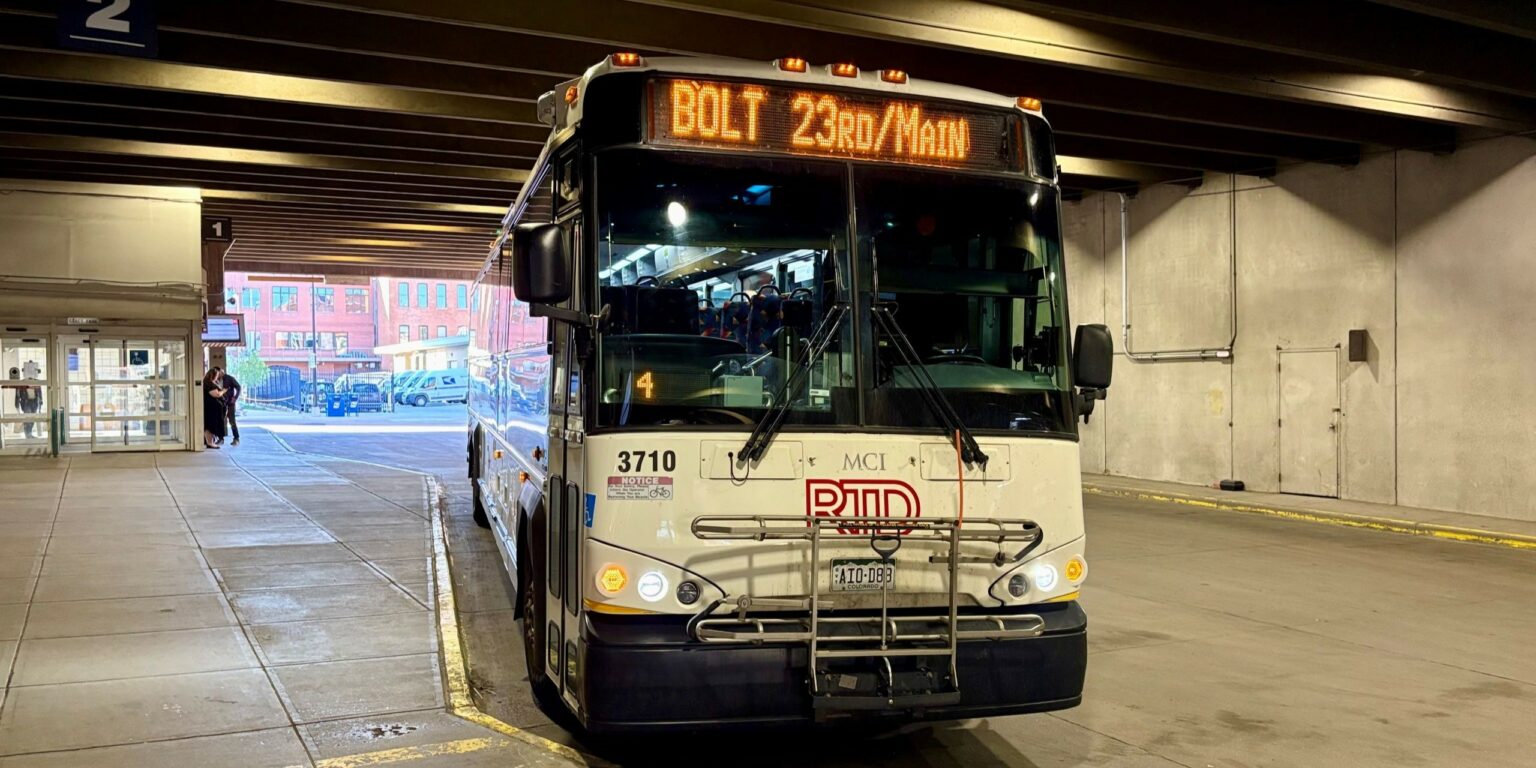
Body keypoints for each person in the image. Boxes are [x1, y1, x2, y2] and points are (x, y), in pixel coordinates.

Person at [9, 366, 41, 439]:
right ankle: (28, 434)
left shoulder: (37, 382)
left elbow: (39, 393)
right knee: (27, 418)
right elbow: (17, 395)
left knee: (33, 418)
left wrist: (40, 403)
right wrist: (17, 405)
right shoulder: (22, 382)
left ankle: (29, 433)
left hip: (34, 402)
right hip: (26, 402)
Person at [202, 369, 228, 449]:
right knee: (210, 425)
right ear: (212, 375)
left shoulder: (211, 383)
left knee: (212, 425)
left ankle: (211, 442)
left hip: (214, 408)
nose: (217, 377)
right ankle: (210, 443)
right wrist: (223, 391)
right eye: (216, 375)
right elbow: (216, 394)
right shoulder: (208, 383)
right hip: (211, 408)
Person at [219, 368, 242, 446]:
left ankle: (236, 438)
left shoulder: (230, 378)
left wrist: (235, 397)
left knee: (232, 420)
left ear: (222, 372)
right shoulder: (216, 380)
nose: (218, 375)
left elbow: (238, 387)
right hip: (221, 402)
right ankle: (220, 438)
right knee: (220, 420)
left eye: (219, 373)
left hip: (230, 403)